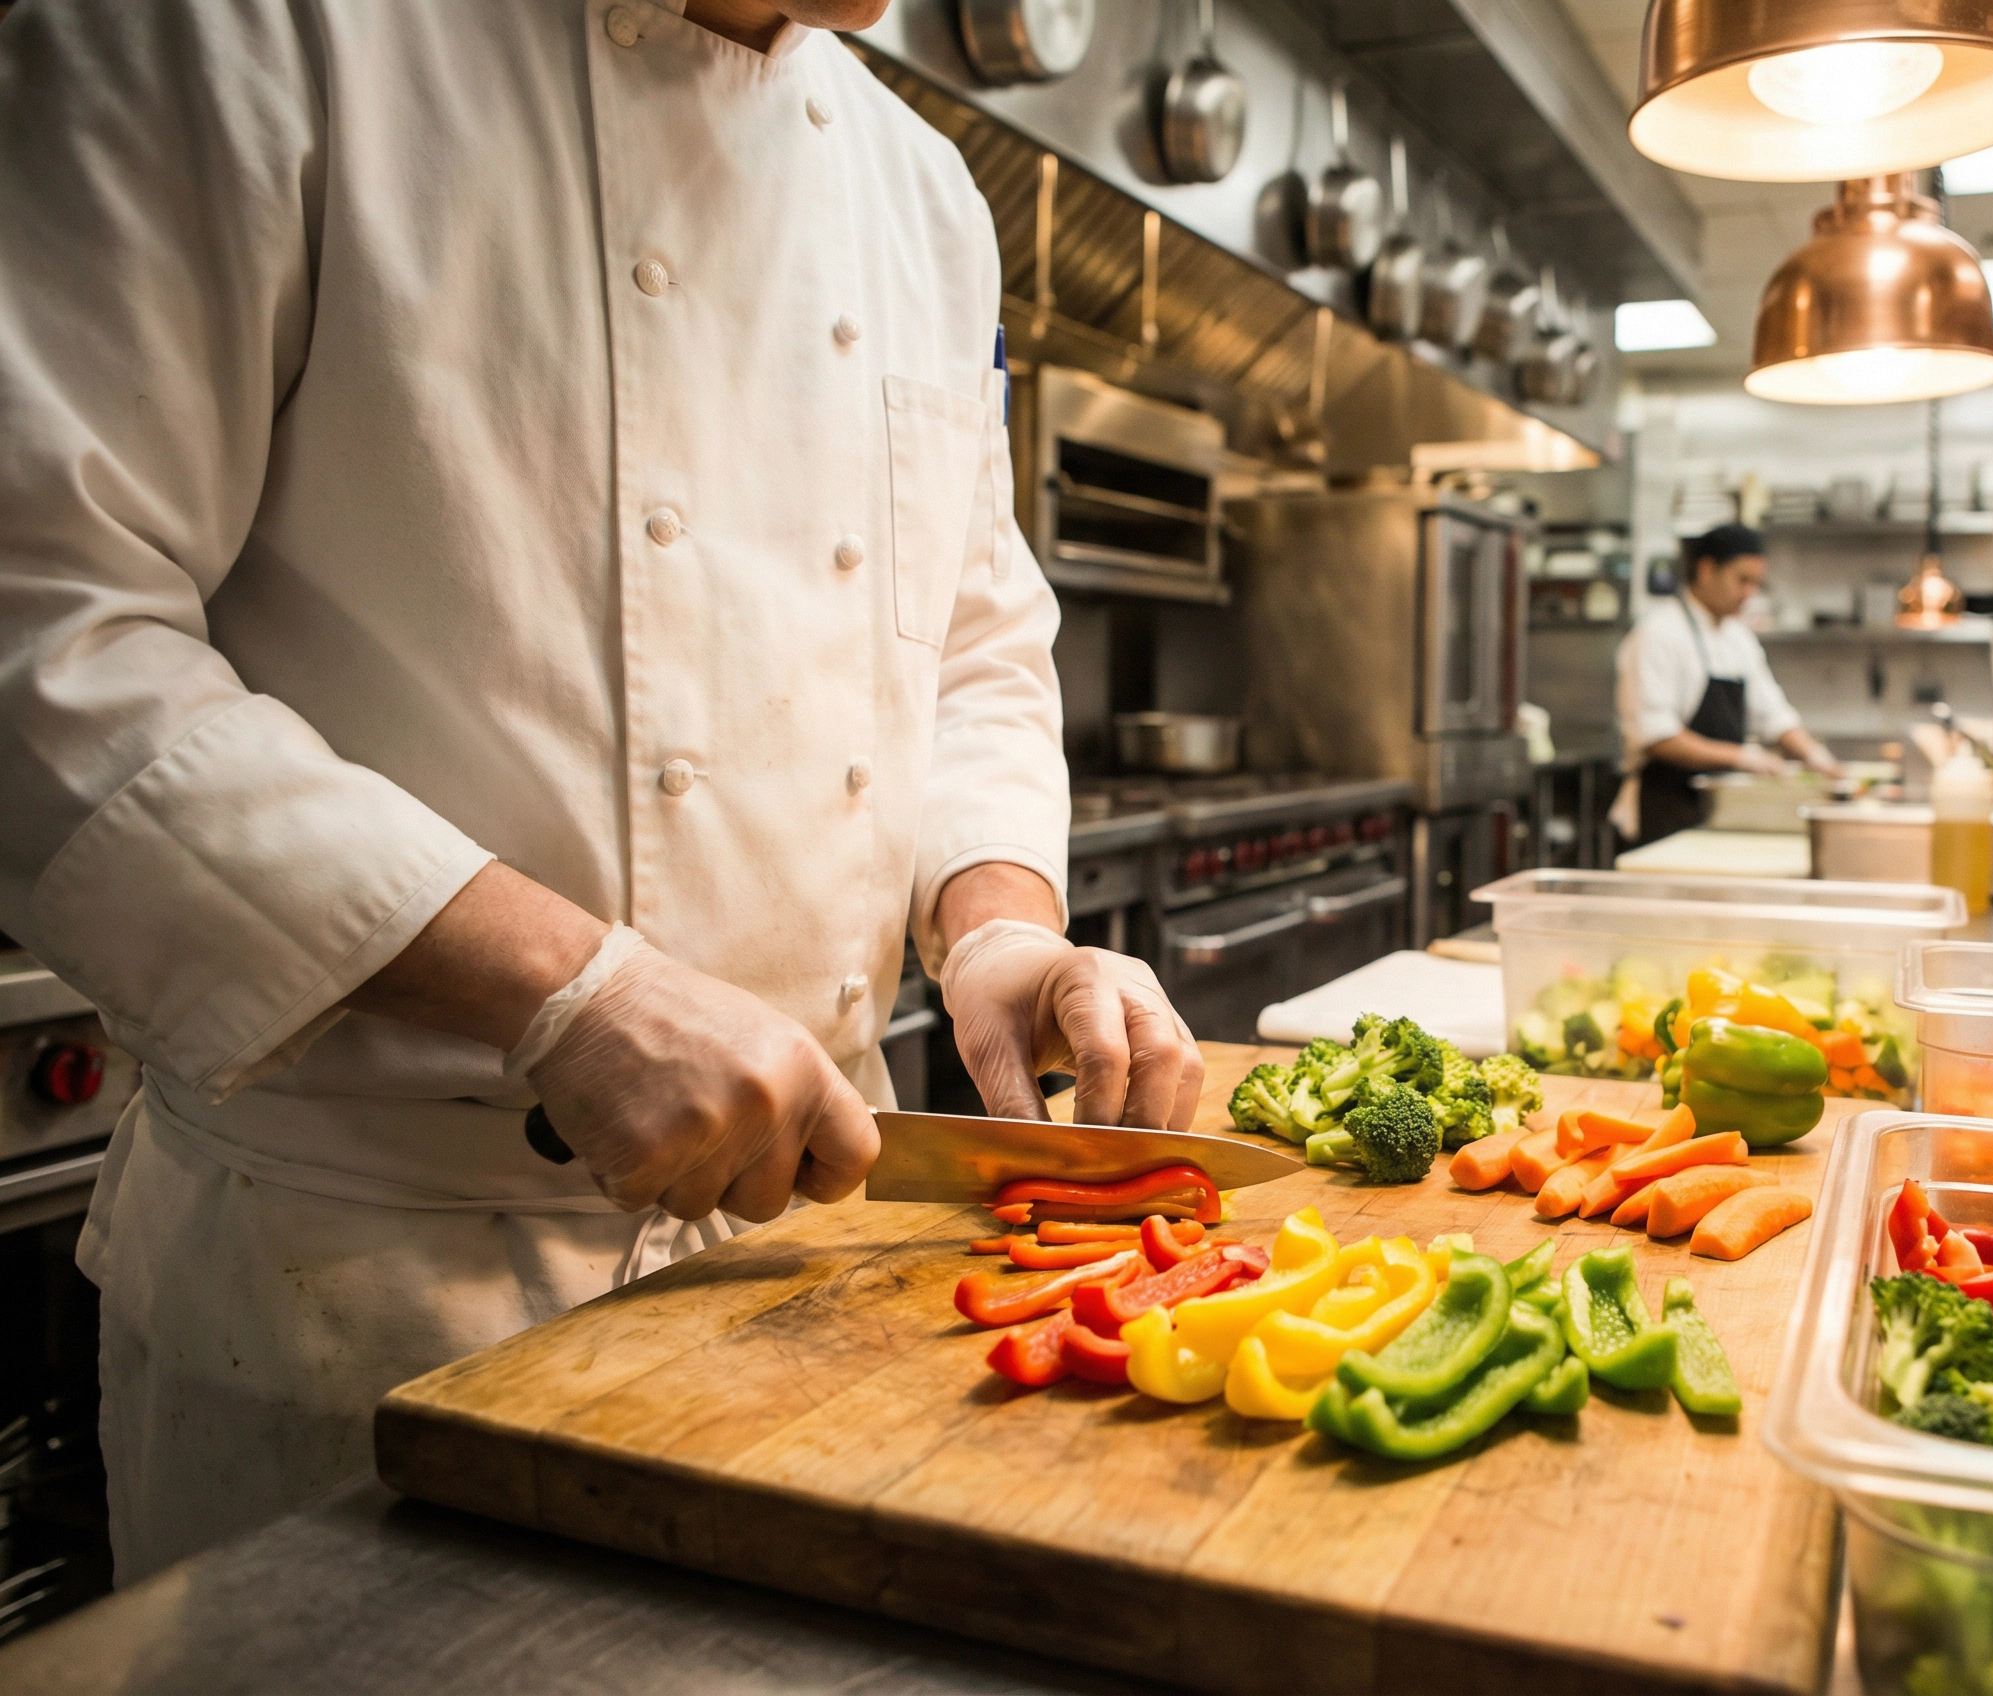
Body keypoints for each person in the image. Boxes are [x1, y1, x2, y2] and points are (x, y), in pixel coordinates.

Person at [0, 0, 1203, 1582]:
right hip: (366, 1311)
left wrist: (997, 935)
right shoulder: (238, 37)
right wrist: (568, 991)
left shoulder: (922, 190)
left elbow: (972, 646)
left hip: (810, 1278)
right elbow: (45, 627)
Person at [1615, 524, 1843, 842]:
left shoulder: (1739, 638)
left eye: (1756, 583)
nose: (1750, 592)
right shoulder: (1658, 633)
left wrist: (1815, 756)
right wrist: (1743, 758)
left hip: (1721, 810)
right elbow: (1656, 735)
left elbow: (1773, 715)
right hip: (1666, 806)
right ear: (1707, 570)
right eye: (1742, 580)